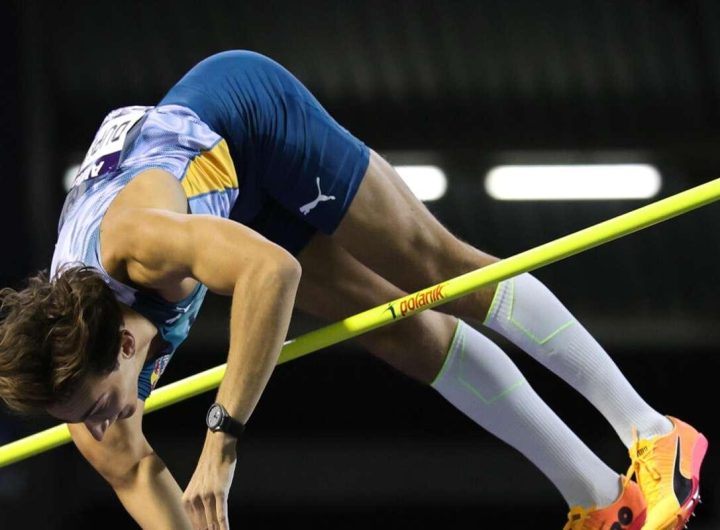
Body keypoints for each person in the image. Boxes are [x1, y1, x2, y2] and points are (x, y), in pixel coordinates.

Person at [0, 50, 708, 530]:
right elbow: (144, 487)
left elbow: (272, 272)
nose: (95, 426)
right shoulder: (85, 399)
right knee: (399, 332)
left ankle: (654, 433)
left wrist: (221, 441)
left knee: (436, 268)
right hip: (223, 207)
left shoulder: (141, 244)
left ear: (125, 343)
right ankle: (598, 497)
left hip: (247, 120)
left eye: (95, 407)